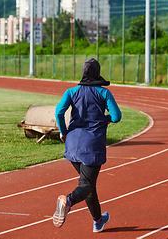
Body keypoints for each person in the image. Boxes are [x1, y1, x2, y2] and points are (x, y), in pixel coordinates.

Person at [53, 58, 122, 232]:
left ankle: (98, 221)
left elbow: (59, 112)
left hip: (72, 143)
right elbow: (116, 116)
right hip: (92, 145)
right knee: (87, 184)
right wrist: (104, 119)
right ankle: (68, 200)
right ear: (97, 73)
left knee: (88, 184)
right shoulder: (104, 93)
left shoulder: (71, 92)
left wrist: (63, 132)